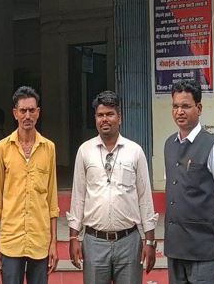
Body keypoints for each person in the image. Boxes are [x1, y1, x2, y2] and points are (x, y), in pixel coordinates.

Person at [67, 90, 159, 284]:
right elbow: (78, 197)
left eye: (110, 114)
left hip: (129, 241)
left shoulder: (135, 151)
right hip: (94, 241)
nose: (105, 119)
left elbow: (144, 198)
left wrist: (150, 241)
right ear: (95, 118)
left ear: (120, 117)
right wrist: (73, 237)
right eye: (100, 115)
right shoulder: (85, 151)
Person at [164, 80, 214, 284]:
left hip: (203, 247)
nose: (179, 112)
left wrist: (207, 217)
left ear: (199, 108)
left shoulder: (213, 147)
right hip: (175, 247)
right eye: (175, 106)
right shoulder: (169, 145)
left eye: (186, 106)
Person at [0, 86, 59, 284]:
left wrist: (53, 242)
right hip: (11, 240)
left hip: (40, 239)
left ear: (38, 112)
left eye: (31, 110)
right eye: (23, 111)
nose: (27, 115)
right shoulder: (2, 148)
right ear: (15, 113)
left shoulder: (49, 148)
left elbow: (52, 200)